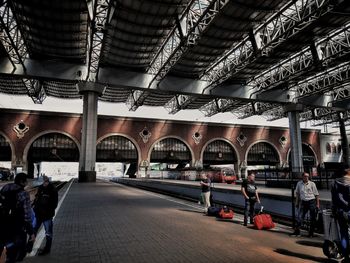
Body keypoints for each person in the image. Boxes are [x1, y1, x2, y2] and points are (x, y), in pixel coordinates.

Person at [0, 172, 35, 263]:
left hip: (2, 224)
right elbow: (27, 215)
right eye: (26, 181)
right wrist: (31, 232)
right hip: (16, 227)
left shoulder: (4, 188)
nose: (27, 183)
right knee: (13, 252)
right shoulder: (23, 194)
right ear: (22, 182)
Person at [33, 175, 58, 255]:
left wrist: (48, 211)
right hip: (38, 215)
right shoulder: (40, 188)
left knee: (48, 233)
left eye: (44, 182)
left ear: (47, 181)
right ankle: (29, 247)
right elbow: (36, 199)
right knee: (33, 231)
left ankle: (47, 249)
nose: (43, 183)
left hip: (47, 216)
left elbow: (54, 204)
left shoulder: (53, 190)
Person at [291, 172, 320, 237]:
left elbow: (317, 195)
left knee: (312, 218)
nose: (307, 177)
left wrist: (318, 204)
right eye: (305, 176)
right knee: (300, 217)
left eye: (307, 176)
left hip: (311, 201)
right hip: (303, 202)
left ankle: (311, 233)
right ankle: (297, 231)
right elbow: (298, 194)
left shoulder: (312, 184)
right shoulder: (299, 184)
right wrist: (297, 203)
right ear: (302, 177)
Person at [331, 168, 350, 262]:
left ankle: (346, 256)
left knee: (344, 234)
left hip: (341, 211)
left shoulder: (335, 182)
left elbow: (333, 200)